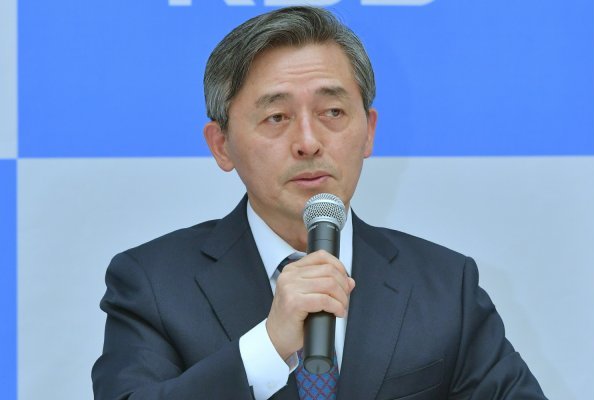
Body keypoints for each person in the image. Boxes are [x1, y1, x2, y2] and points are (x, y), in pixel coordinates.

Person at [92, 6, 546, 400]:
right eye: (277, 117)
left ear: (368, 132)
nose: (308, 142)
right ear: (222, 145)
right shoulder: (152, 283)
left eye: (332, 112)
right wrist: (267, 348)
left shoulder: (445, 286)